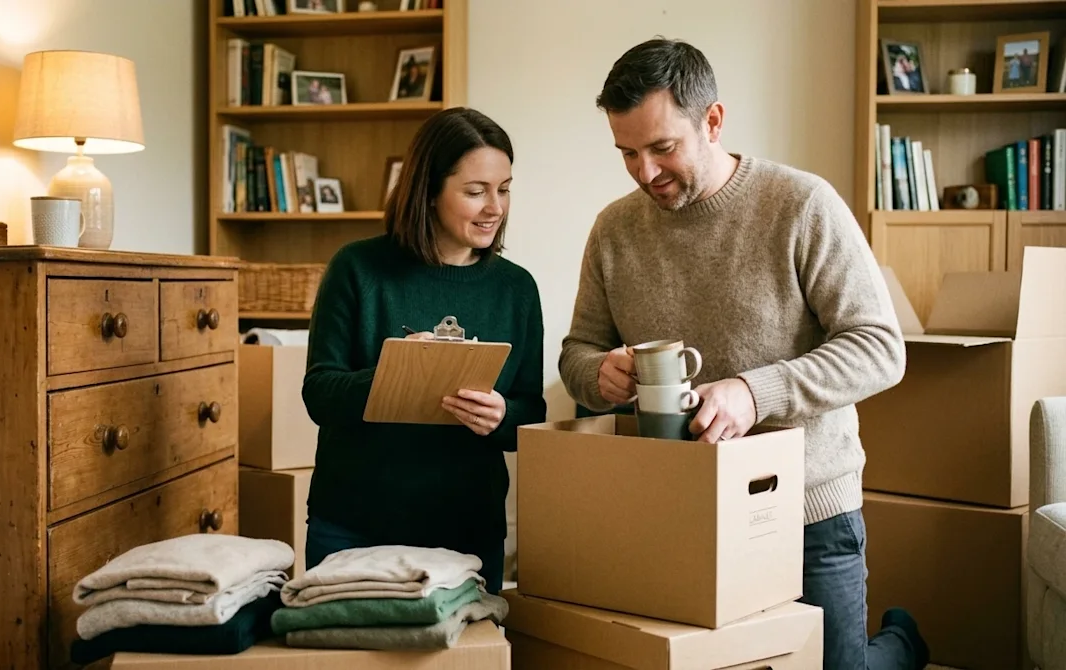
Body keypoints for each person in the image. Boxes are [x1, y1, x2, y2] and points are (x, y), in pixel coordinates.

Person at [557, 37, 930, 669]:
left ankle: (900, 644)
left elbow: (878, 347)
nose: (644, 172)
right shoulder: (613, 229)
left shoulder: (802, 204)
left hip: (809, 509)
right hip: (677, 507)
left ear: (713, 121)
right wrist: (601, 374)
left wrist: (757, 392)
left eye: (662, 147)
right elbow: (577, 353)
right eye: (627, 153)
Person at [300, 106, 546, 594]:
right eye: (475, 192)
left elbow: (531, 414)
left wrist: (501, 417)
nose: (495, 207)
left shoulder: (517, 289)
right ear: (429, 191)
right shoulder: (357, 269)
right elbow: (319, 394)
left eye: (504, 189)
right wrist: (396, 371)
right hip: (353, 524)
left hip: (468, 528)